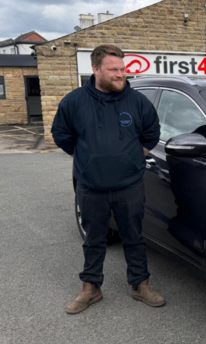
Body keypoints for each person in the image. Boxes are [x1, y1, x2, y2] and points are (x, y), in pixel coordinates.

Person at [51, 45, 164, 314]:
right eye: (113, 69)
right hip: (91, 187)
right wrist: (87, 157)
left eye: (123, 69)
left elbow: (151, 132)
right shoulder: (74, 101)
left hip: (130, 185)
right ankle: (91, 288)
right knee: (94, 239)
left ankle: (140, 284)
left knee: (134, 236)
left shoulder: (137, 102)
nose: (120, 74)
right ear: (96, 70)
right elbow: (62, 135)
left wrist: (134, 156)